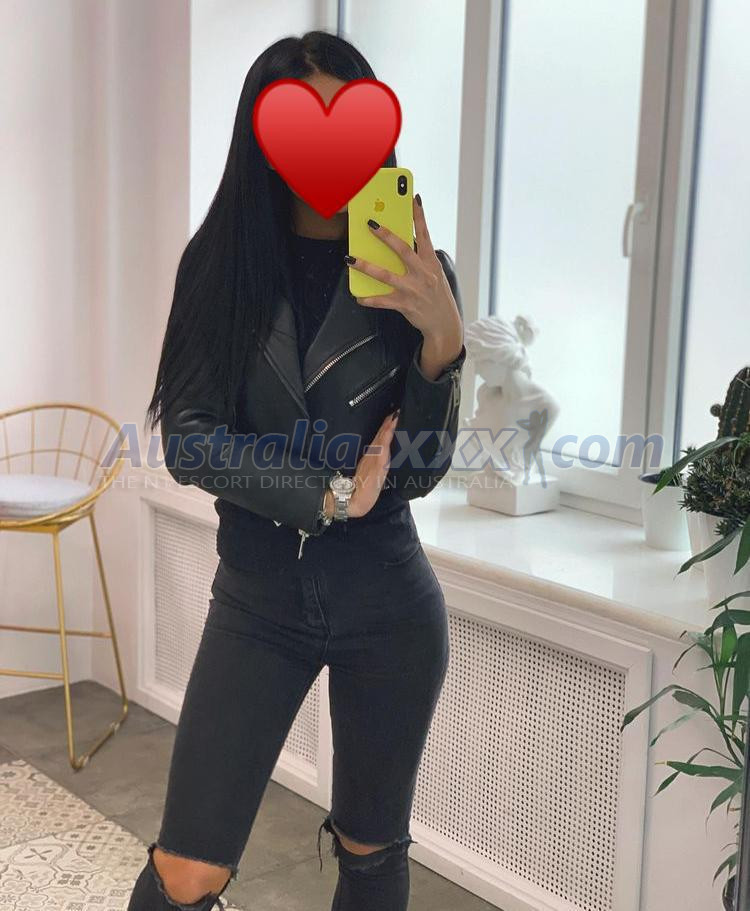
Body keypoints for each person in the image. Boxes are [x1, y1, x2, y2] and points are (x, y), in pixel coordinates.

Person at [130, 29, 465, 911]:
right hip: (259, 601)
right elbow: (191, 439)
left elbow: (419, 470)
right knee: (187, 868)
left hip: (388, 601)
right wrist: (327, 491)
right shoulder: (220, 267)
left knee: (371, 852)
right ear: (264, 140)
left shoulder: (418, 275)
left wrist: (441, 342)